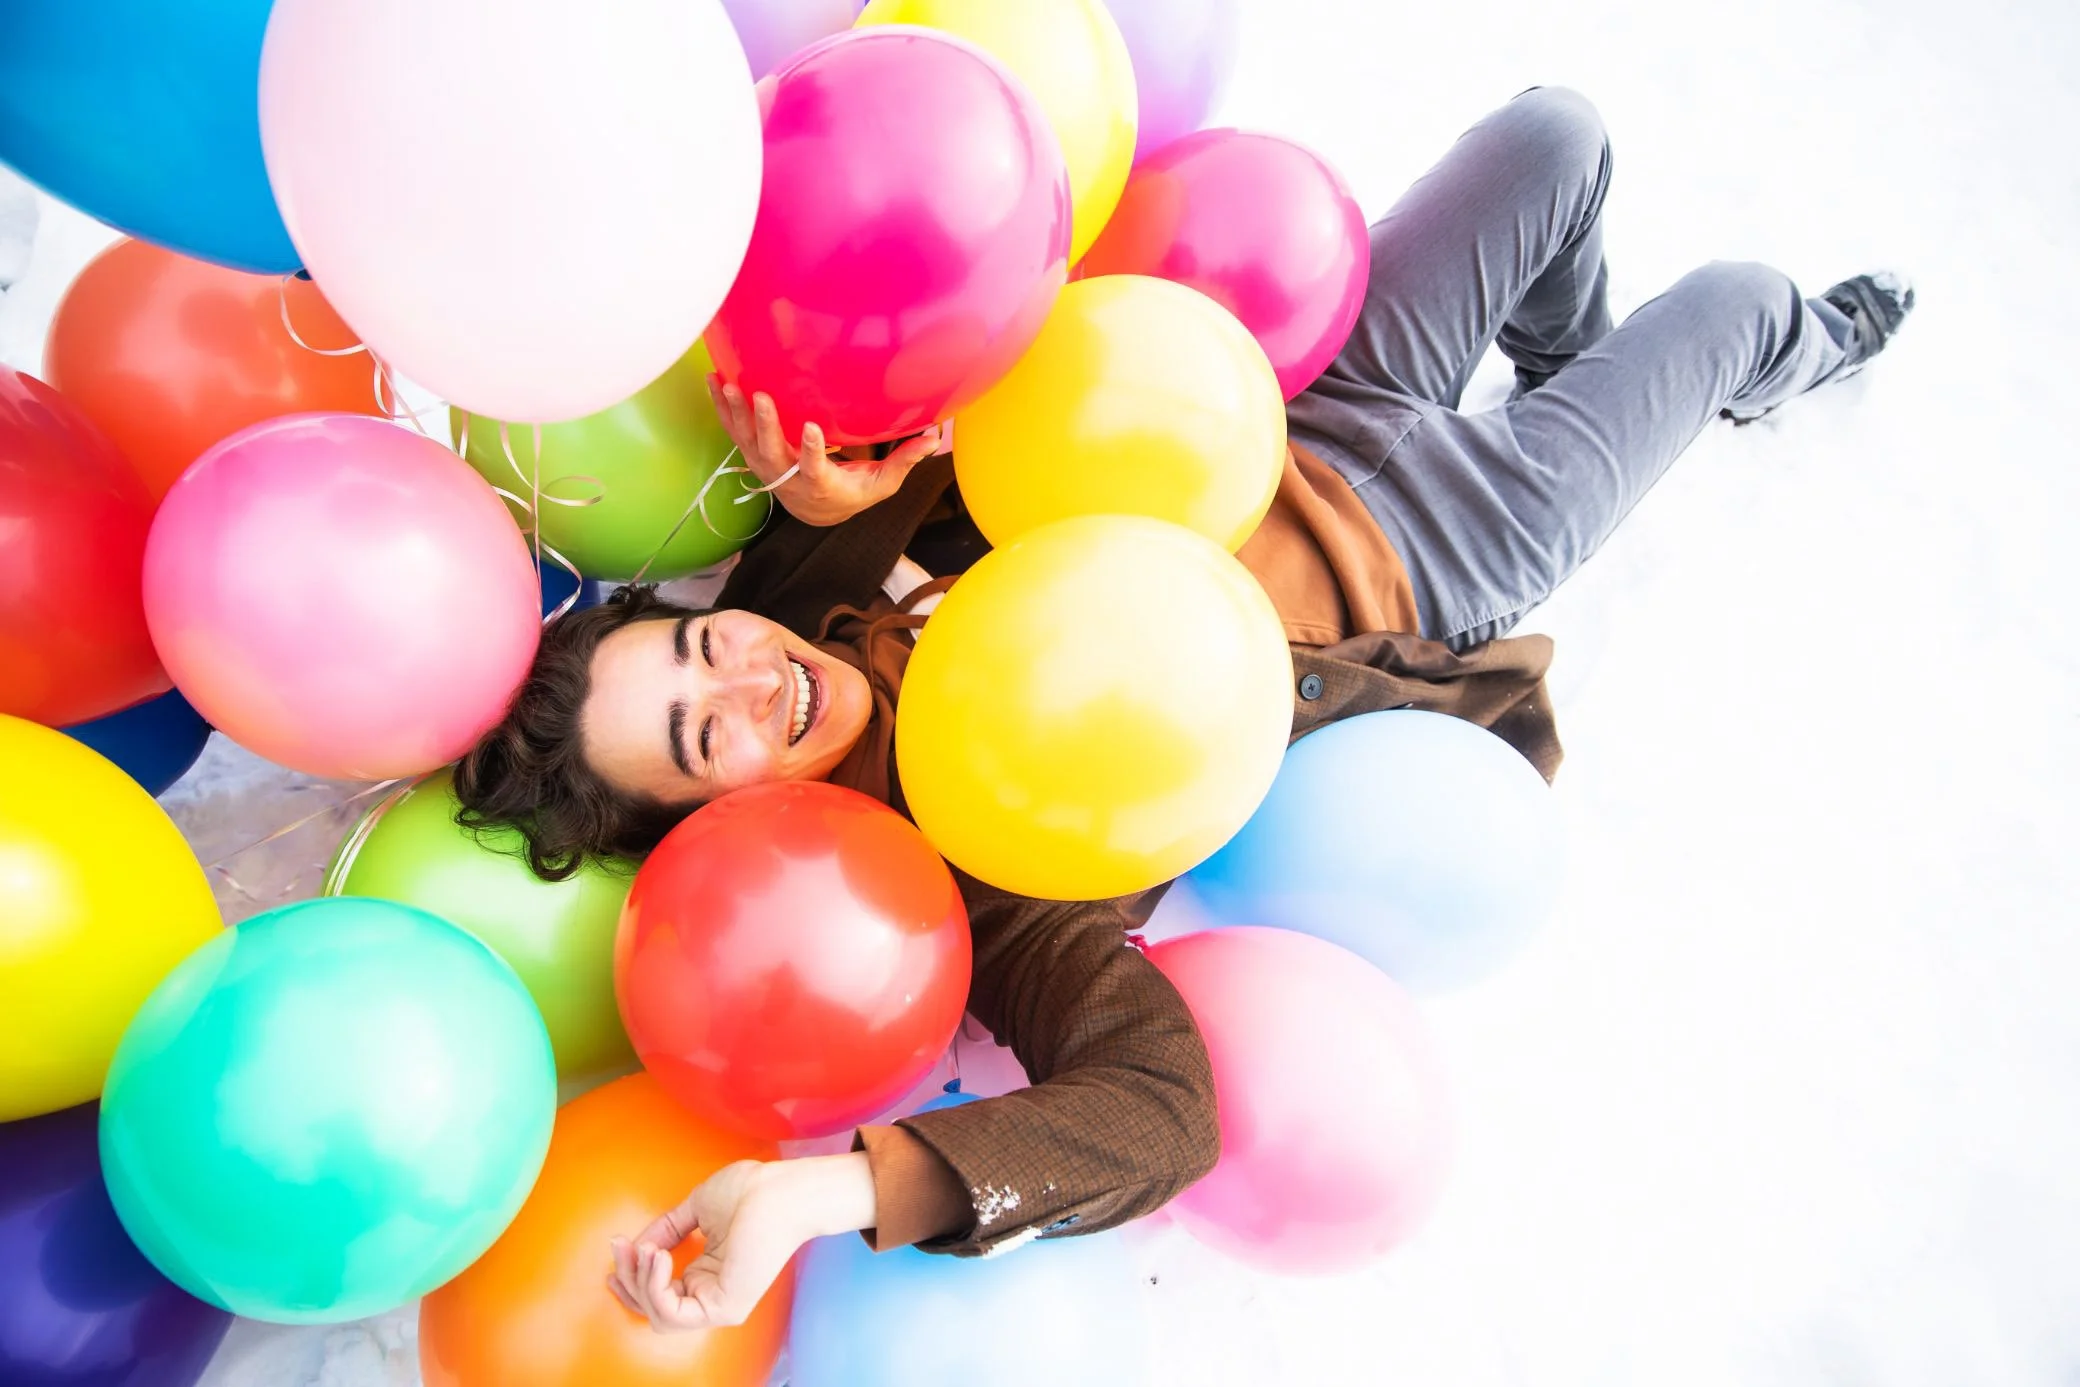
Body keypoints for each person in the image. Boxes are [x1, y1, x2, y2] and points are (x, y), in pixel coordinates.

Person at [453, 87, 1912, 1331]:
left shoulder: (805, 589)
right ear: (734, 822)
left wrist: (859, 479)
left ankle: (1561, 350)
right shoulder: (974, 873)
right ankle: (1810, 345)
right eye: (714, 736)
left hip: (1283, 406)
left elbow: (950, 415)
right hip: (1432, 552)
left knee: (1557, 137)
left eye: (707, 647)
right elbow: (1162, 1108)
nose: (754, 680)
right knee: (1732, 304)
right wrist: (818, 1188)